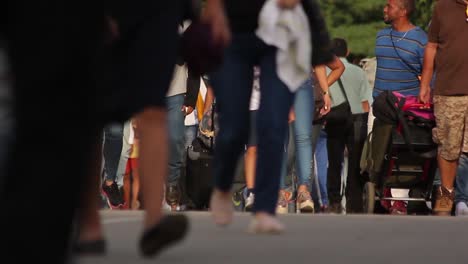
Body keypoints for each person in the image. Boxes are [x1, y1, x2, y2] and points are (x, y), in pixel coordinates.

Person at [204, 0, 334, 233]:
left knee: (274, 126)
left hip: (278, 38)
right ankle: (222, 188)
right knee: (233, 128)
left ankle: (264, 207)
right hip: (235, 33)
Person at [373, 0, 428, 214]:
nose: (385, 9)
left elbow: (429, 73)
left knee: (404, 151)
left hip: (409, 108)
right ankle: (383, 189)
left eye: (390, 6)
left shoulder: (420, 39)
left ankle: (400, 197)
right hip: (382, 106)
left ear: (403, 11)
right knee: (381, 150)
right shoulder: (381, 36)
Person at [419, 0, 468, 216]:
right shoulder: (443, 7)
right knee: (449, 147)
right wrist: (425, 84)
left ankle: (463, 199)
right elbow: (431, 46)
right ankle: (446, 195)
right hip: (449, 90)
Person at [324, 38, 372, 214]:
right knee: (355, 162)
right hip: (357, 118)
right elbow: (366, 101)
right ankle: (353, 201)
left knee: (334, 161)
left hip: (335, 118)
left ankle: (334, 200)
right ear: (348, 52)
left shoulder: (326, 71)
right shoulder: (358, 71)